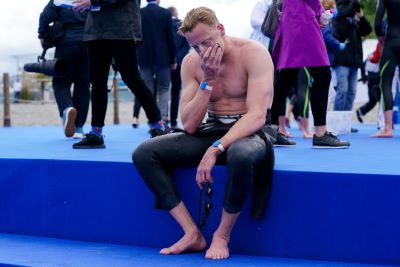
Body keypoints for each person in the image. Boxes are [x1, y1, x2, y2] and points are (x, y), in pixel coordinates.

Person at [133, 7, 275, 260]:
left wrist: (217, 147)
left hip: (249, 131)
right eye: (195, 46)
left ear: (221, 30)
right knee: (144, 153)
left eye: (207, 42)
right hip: (212, 127)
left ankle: (221, 236)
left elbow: (257, 115)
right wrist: (207, 81)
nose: (203, 51)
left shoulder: (254, 53)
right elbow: (188, 125)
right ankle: (192, 233)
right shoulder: (191, 62)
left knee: (241, 155)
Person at [72, 0, 168, 149]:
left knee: (131, 78)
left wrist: (92, 1)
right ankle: (96, 132)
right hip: (96, 30)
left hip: (122, 28)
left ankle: (158, 125)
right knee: (97, 82)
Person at [271, 0, 350, 148]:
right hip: (303, 19)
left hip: (293, 16)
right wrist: (321, 13)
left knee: (286, 77)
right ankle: (320, 133)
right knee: (322, 74)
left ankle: (272, 129)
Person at [38, 0, 90, 139]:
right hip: (89, 43)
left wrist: (42, 35)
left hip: (67, 43)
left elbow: (45, 16)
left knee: (60, 82)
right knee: (83, 85)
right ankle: (78, 128)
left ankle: (67, 109)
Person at [132, 0, 177, 127]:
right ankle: (162, 118)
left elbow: (135, 35)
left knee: (147, 88)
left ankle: (153, 119)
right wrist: (173, 59)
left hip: (144, 57)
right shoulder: (165, 13)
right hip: (163, 58)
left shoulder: (139, 12)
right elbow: (170, 37)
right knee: (164, 88)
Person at [331, 0, 372, 112]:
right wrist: (349, 15)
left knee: (351, 93)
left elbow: (368, 30)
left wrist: (361, 18)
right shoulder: (339, 14)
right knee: (342, 91)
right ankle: (337, 123)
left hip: (355, 60)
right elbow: (341, 32)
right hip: (342, 60)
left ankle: (346, 123)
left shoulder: (355, 16)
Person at [372, 0, 400, 137]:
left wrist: (381, 38)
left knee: (386, 84)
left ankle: (388, 128)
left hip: (392, 41)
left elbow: (377, 22)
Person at [168, 6, 191, 129]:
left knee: (163, 92)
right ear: (175, 13)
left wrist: (170, 58)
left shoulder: (164, 24)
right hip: (179, 64)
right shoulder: (182, 24)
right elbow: (187, 45)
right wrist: (177, 58)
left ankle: (163, 120)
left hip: (165, 64)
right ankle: (173, 121)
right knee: (176, 93)